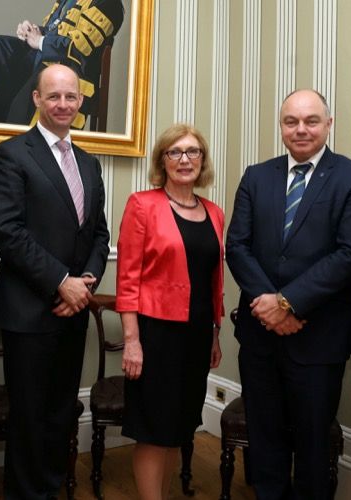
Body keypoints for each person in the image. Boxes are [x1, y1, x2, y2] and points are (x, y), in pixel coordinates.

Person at [226, 89, 351, 499]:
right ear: (281, 126)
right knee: (266, 434)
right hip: (260, 335)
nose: (301, 129)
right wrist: (268, 305)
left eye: (311, 120)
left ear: (329, 124)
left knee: (313, 442)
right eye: (291, 121)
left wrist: (288, 302)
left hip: (319, 336)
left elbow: (350, 254)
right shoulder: (257, 175)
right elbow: (237, 245)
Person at [0, 63, 110, 499]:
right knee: (30, 416)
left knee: (61, 414)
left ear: (80, 102)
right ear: (37, 99)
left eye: (71, 97)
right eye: (53, 96)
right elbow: (8, 233)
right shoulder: (12, 154)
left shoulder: (89, 163)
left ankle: (53, 489)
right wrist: (62, 282)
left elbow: (98, 233)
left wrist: (86, 283)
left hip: (73, 311)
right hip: (30, 310)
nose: (63, 104)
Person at [116, 124, 224, 499]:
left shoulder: (214, 213)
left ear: (203, 161)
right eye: (174, 152)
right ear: (162, 160)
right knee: (154, 429)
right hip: (154, 335)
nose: (184, 159)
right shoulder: (142, 205)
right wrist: (132, 341)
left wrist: (214, 334)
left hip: (196, 335)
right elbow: (127, 279)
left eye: (193, 152)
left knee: (179, 427)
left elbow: (213, 283)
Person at [0, 0, 124, 127]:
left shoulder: (108, 3)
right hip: (43, 60)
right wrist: (32, 32)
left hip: (68, 73)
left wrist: (40, 41)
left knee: (23, 86)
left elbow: (79, 47)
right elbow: (55, 32)